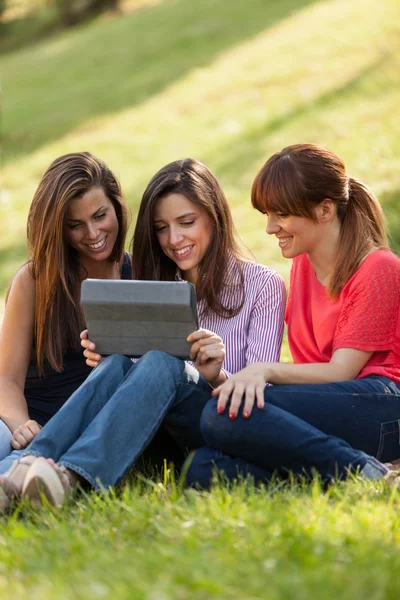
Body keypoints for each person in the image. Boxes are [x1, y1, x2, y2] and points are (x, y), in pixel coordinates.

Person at [4, 158, 285, 509]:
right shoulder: (157, 282)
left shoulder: (264, 285)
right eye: (162, 228)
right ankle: (27, 467)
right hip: (164, 421)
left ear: (214, 216)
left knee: (163, 363)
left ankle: (68, 477)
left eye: (186, 223)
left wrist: (215, 374)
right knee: (124, 362)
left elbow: (264, 397)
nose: (174, 239)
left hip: (225, 419)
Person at [184, 143, 400, 488]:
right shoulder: (302, 264)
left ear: (325, 210)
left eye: (281, 215)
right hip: (332, 408)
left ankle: (367, 474)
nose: (271, 228)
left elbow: (342, 371)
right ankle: (348, 470)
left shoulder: (379, 268)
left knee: (222, 412)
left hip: (382, 408)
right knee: (203, 469)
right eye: (268, 215)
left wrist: (264, 370)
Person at [0, 152, 130, 511]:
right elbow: (6, 379)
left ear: (117, 208)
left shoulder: (136, 274)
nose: (92, 234)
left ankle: (18, 483)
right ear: (57, 227)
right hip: (24, 417)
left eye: (100, 216)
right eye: (75, 225)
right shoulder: (34, 280)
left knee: (25, 465)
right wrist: (20, 423)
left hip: (81, 429)